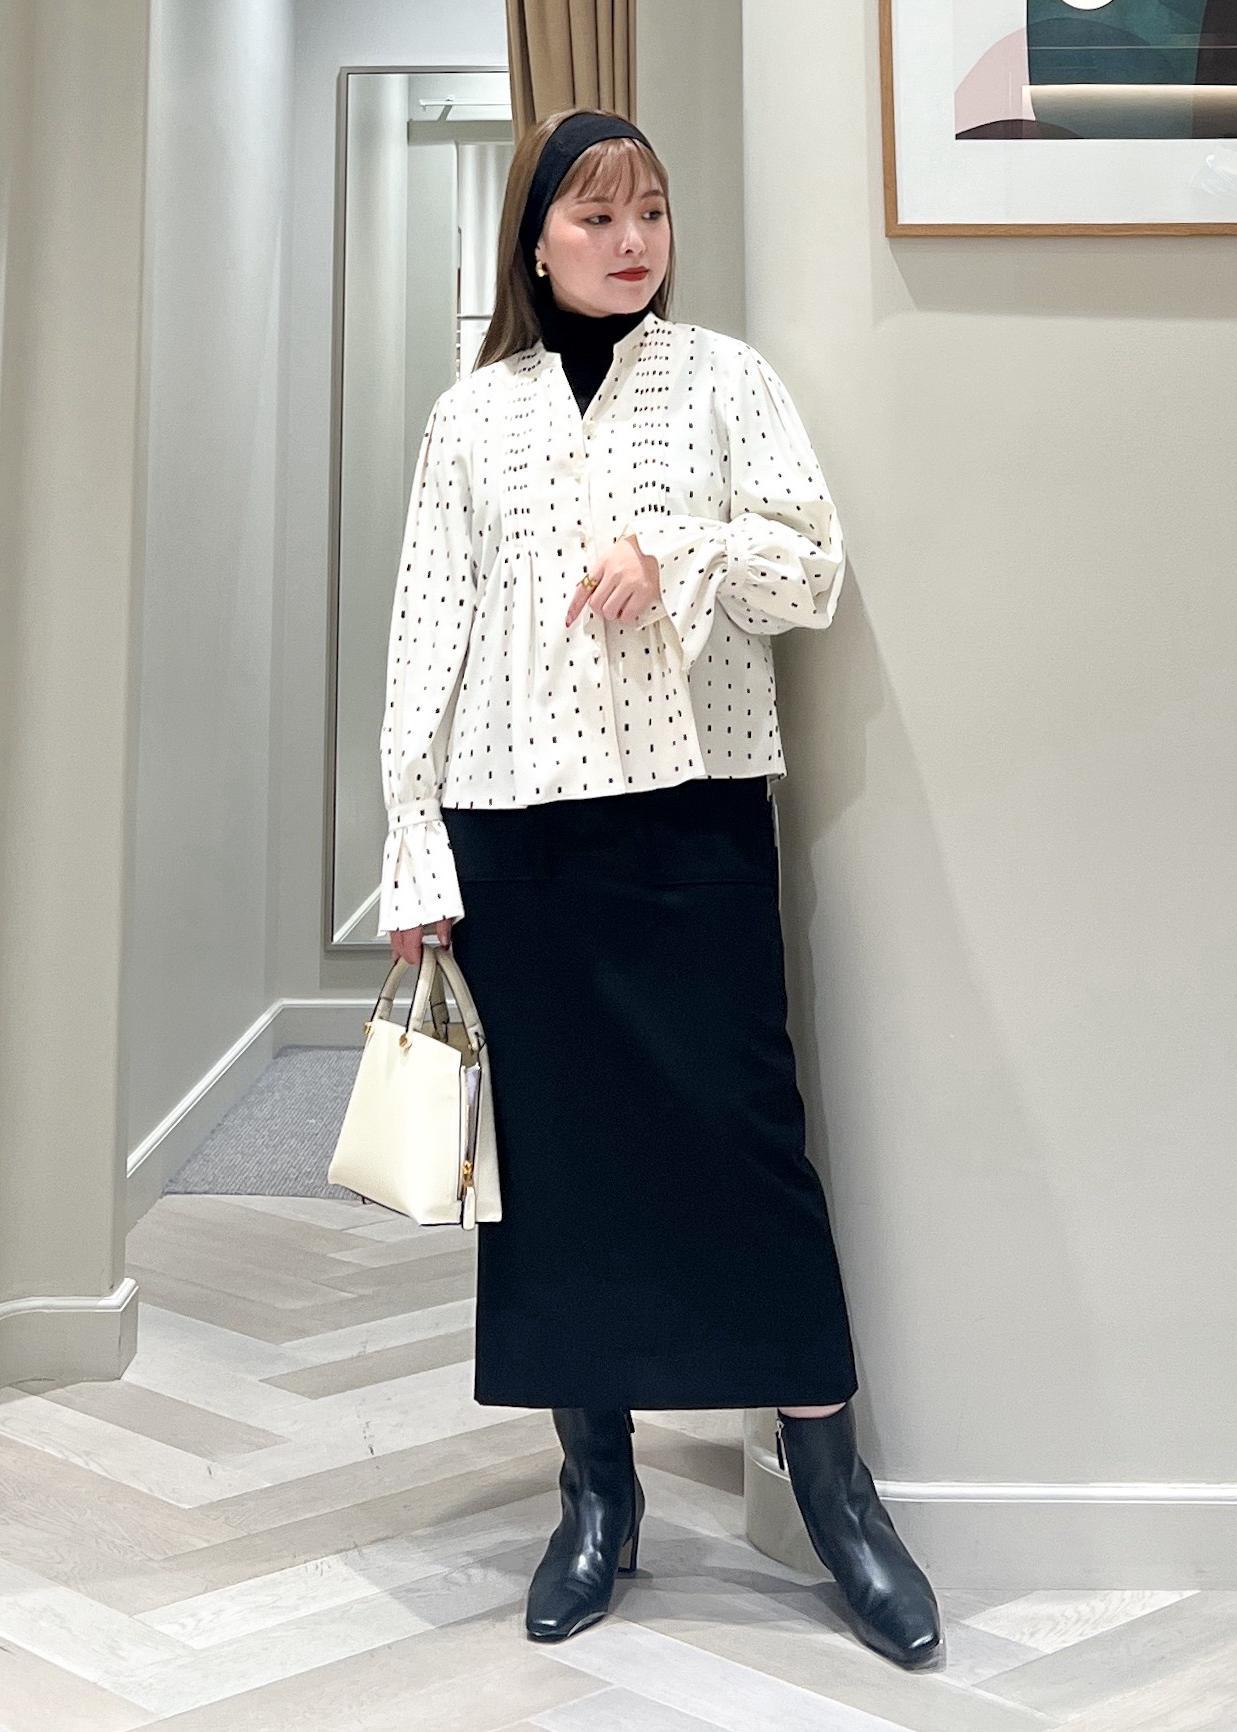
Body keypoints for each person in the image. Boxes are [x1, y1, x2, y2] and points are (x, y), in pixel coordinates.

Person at [377, 106, 941, 1669]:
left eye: (650, 213)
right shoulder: (470, 417)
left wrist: (672, 548)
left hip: (690, 819)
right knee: (557, 1172)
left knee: (747, 1147)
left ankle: (834, 1494)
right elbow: (426, 633)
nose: (630, 242)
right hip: (517, 837)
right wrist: (414, 849)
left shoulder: (721, 382)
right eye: (595, 217)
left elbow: (806, 568)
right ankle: (596, 1495)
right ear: (534, 239)